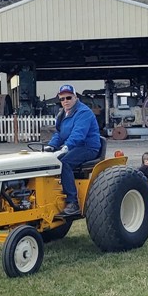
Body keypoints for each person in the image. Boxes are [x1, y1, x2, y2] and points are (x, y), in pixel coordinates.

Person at [45, 84, 102, 216]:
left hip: (87, 147)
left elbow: (78, 134)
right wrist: (51, 146)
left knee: (65, 163)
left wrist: (65, 148)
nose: (65, 101)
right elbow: (59, 134)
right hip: (73, 146)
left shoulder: (84, 112)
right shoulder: (62, 114)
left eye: (68, 97)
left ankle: (72, 203)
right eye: (62, 99)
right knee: (48, 160)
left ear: (75, 97)